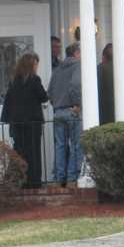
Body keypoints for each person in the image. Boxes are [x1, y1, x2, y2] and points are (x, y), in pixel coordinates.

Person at [0, 52, 48, 188]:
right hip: (32, 123)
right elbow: (43, 97)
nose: (37, 67)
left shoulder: (14, 81)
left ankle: (18, 181)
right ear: (32, 65)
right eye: (36, 64)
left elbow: (8, 102)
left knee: (20, 152)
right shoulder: (34, 80)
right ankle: (34, 181)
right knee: (34, 152)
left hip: (17, 124)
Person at [47, 42, 82, 187]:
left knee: (60, 145)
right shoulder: (78, 66)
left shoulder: (57, 69)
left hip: (58, 112)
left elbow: (49, 92)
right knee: (76, 145)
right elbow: (75, 85)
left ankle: (58, 178)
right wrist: (78, 105)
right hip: (72, 110)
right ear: (76, 53)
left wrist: (56, 105)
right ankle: (72, 178)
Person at [97, 43, 124, 124]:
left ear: (103, 56)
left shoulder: (99, 69)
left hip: (104, 115)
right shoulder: (122, 68)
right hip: (123, 113)